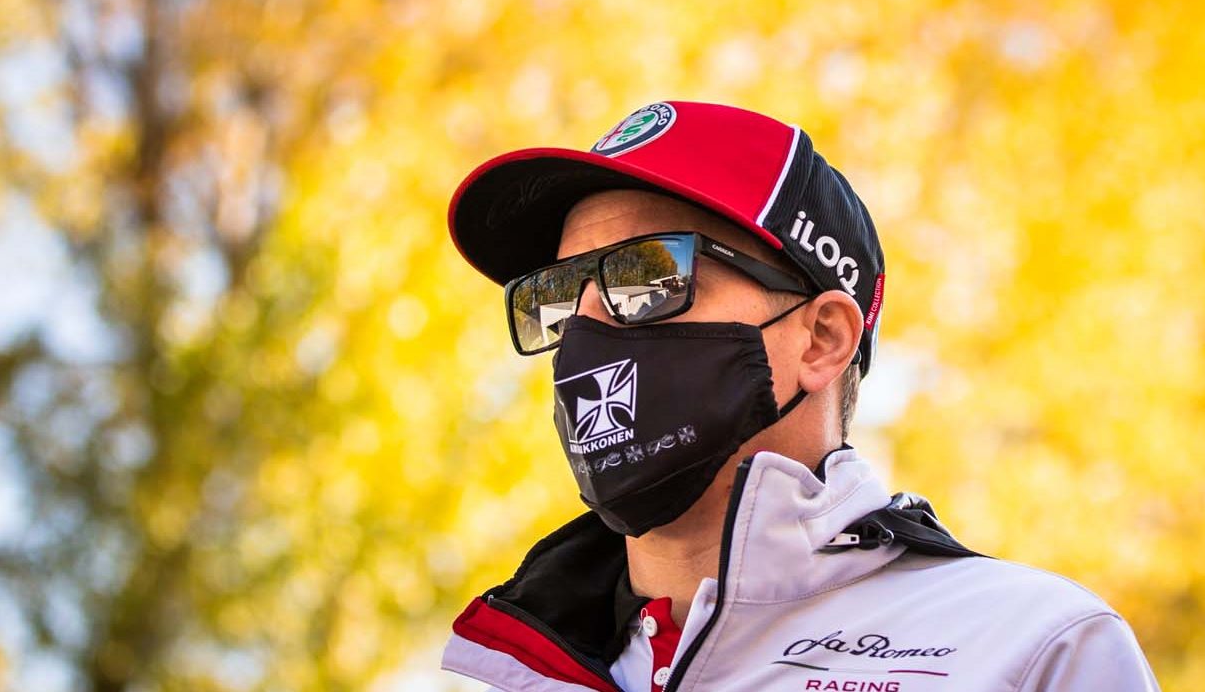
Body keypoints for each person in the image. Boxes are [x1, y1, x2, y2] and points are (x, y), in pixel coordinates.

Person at [438, 100, 1159, 692]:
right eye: (559, 295)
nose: (586, 326)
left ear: (821, 339)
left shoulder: (1031, 651)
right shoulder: (510, 674)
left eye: (650, 276)